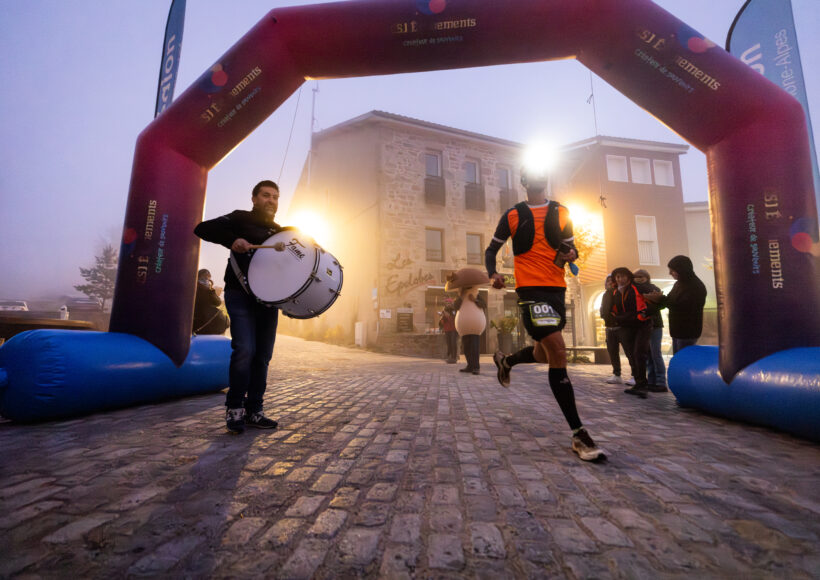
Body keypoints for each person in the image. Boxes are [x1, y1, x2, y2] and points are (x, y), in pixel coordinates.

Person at [485, 166, 604, 462]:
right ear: (524, 181)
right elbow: (491, 251)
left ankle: (506, 361)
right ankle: (578, 433)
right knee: (559, 351)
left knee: (543, 354)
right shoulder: (513, 215)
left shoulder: (562, 212)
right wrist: (493, 274)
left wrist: (571, 254)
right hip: (529, 290)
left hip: (556, 289)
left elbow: (571, 248)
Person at [194, 180, 284, 433]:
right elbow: (202, 228)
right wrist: (233, 240)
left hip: (268, 299)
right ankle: (235, 408)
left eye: (275, 197)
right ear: (254, 198)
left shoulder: (280, 233)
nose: (271, 200)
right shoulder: (239, 218)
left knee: (262, 356)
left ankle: (254, 410)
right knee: (245, 350)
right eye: (266, 195)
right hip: (239, 293)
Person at [645, 255, 707, 354]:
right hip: (677, 331)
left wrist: (660, 299)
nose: (670, 273)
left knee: (683, 361)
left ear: (682, 269)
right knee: (677, 359)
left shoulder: (695, 286)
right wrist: (657, 299)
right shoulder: (678, 284)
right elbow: (670, 301)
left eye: (672, 270)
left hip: (688, 332)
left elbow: (683, 306)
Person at [610, 267, 654, 399]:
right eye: (617, 277)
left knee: (639, 353)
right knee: (631, 354)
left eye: (623, 276)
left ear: (629, 277)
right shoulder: (615, 291)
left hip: (642, 325)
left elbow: (657, 298)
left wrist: (645, 313)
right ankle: (638, 383)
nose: (620, 279)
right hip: (626, 326)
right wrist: (616, 318)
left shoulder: (638, 287)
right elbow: (614, 309)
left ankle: (643, 386)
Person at [632, 269, 667, 392]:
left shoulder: (654, 288)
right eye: (636, 276)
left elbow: (660, 304)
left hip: (655, 324)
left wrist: (647, 311)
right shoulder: (633, 290)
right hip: (642, 325)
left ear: (647, 277)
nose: (639, 278)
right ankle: (651, 381)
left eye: (642, 276)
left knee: (656, 353)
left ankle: (661, 382)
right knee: (648, 354)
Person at [600, 275, 625, 385]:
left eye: (612, 280)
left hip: (621, 327)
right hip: (609, 327)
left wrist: (616, 317)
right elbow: (603, 309)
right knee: (612, 352)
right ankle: (617, 374)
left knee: (629, 352)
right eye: (608, 281)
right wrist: (604, 315)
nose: (610, 282)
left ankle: (635, 375)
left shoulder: (620, 292)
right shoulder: (605, 294)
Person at [193, 269, 230, 335]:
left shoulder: (197, 289)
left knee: (225, 321)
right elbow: (217, 302)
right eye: (205, 278)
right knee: (225, 322)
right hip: (205, 326)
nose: (207, 281)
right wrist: (213, 291)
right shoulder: (204, 291)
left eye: (208, 279)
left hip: (201, 325)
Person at [439, 299, 458, 364]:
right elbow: (442, 322)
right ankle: (449, 357)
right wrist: (442, 317)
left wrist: (448, 316)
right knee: (449, 343)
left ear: (451, 303)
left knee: (453, 343)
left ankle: (454, 357)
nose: (448, 304)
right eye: (446, 303)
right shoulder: (444, 310)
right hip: (447, 329)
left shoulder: (454, 310)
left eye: (449, 303)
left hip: (454, 329)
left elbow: (455, 319)